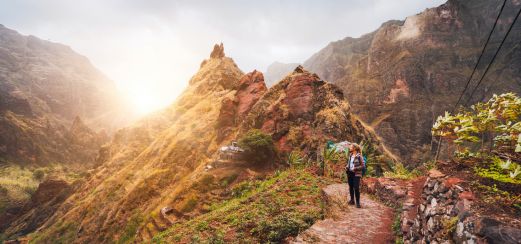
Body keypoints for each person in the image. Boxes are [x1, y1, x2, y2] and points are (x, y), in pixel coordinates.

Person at [346, 143, 364, 208]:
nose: (350, 148)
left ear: (354, 148)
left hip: (356, 174)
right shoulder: (350, 155)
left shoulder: (359, 156)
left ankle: (358, 202)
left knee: (356, 187)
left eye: (351, 147)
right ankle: (352, 200)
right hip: (350, 173)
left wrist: (355, 168)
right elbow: (349, 163)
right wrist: (347, 167)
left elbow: (363, 166)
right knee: (350, 187)